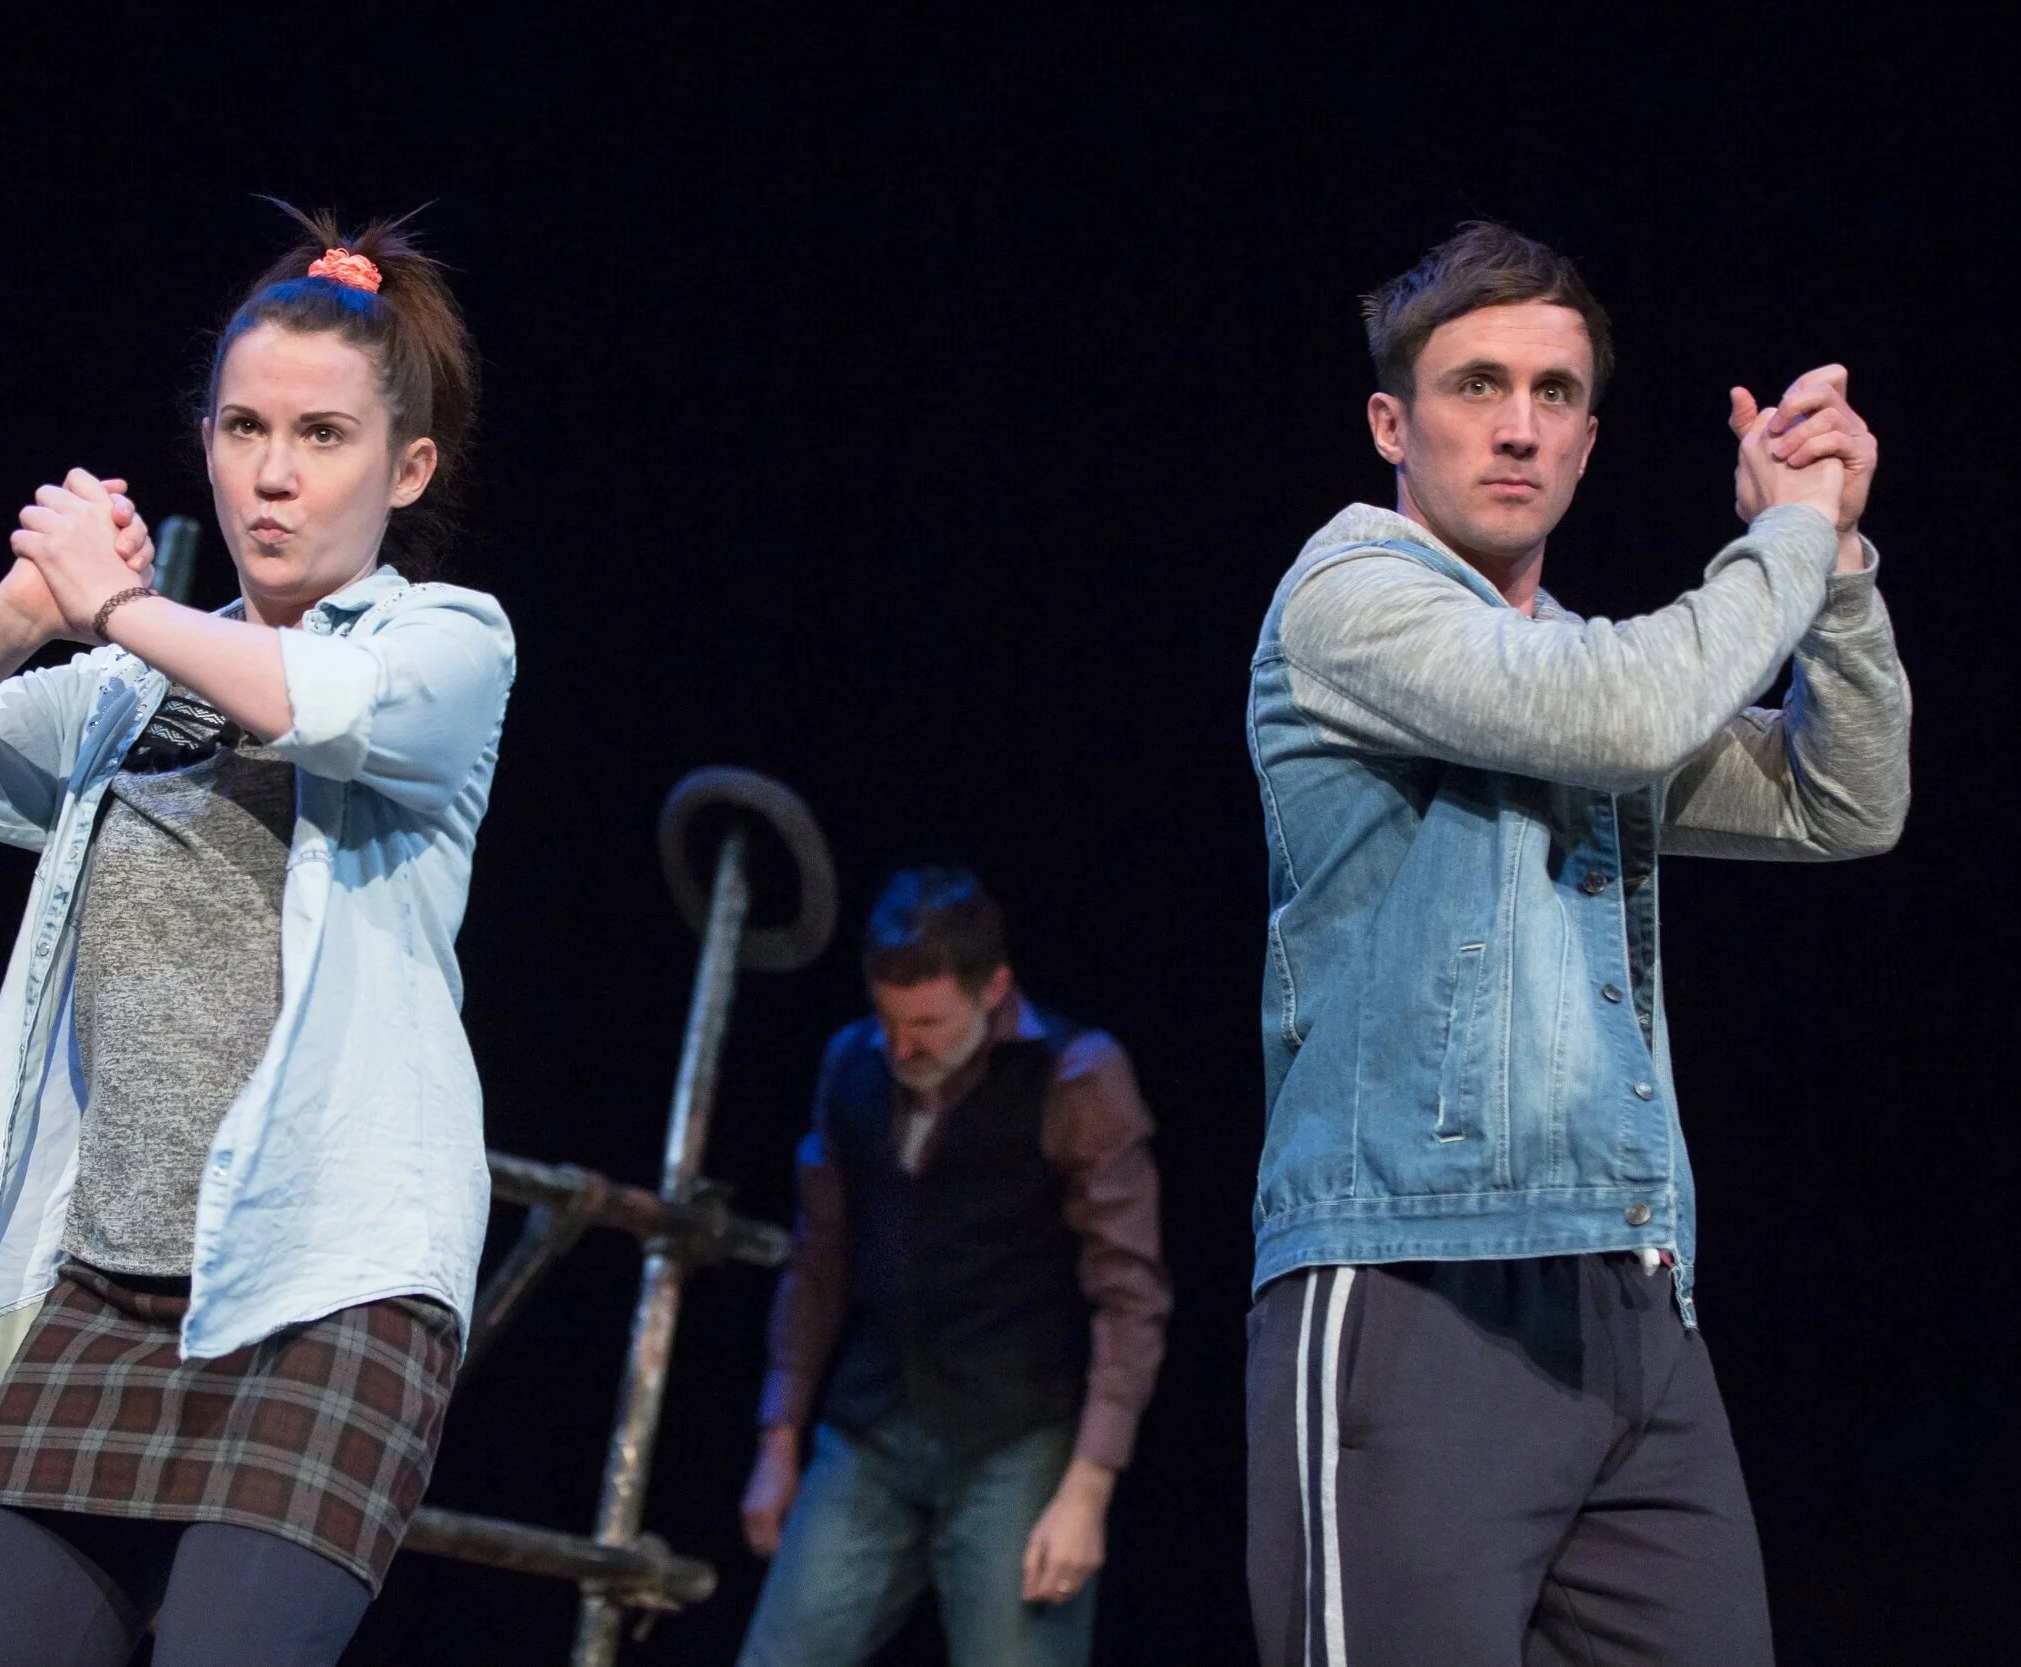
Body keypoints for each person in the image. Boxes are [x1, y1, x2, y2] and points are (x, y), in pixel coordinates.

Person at [0, 208, 514, 1667]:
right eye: (244, 426)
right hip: (114, 1286)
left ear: (406, 469)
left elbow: (315, 707)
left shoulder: (451, 641)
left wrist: (120, 605)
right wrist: (25, 612)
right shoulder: (126, 694)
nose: (273, 472)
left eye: (323, 435)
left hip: (334, 1283)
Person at [1242, 223, 1911, 1665]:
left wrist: (1838, 559)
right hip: (1415, 1277)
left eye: (1554, 394)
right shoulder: (1346, 597)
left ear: (1591, 440)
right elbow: (1619, 712)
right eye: (1478, 383)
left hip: (1631, 1290)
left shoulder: (1582, 668)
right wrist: (1783, 536)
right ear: (1390, 423)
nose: (1518, 425)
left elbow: (1843, 798)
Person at [735, 868, 1173, 1667]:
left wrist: (1088, 1487)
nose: (902, 1046)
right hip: (870, 1422)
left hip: (1013, 1435)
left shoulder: (1077, 1075)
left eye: (928, 1022)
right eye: (887, 1019)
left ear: (993, 988)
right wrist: (779, 1433)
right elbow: (817, 1264)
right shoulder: (851, 1065)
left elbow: (1130, 1292)